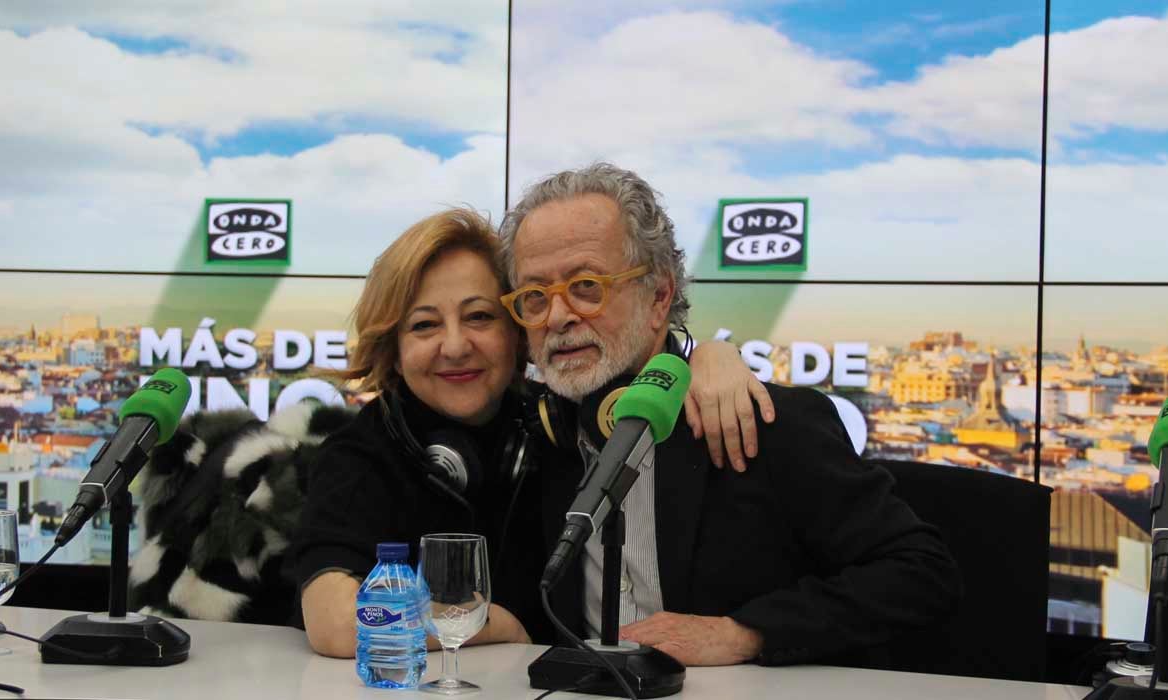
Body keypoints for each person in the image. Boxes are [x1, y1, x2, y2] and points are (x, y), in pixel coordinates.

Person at [498, 163, 962, 667]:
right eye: (535, 296)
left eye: (587, 285)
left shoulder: (767, 421)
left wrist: (746, 632)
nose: (558, 316)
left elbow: (921, 572)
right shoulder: (535, 443)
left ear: (659, 296)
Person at [291, 208, 773, 657]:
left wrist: (710, 358)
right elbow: (338, 622)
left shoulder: (559, 425)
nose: (455, 346)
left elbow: (649, 365)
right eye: (424, 325)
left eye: (480, 317)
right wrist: (494, 624)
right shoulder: (360, 455)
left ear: (519, 332)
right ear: (393, 350)